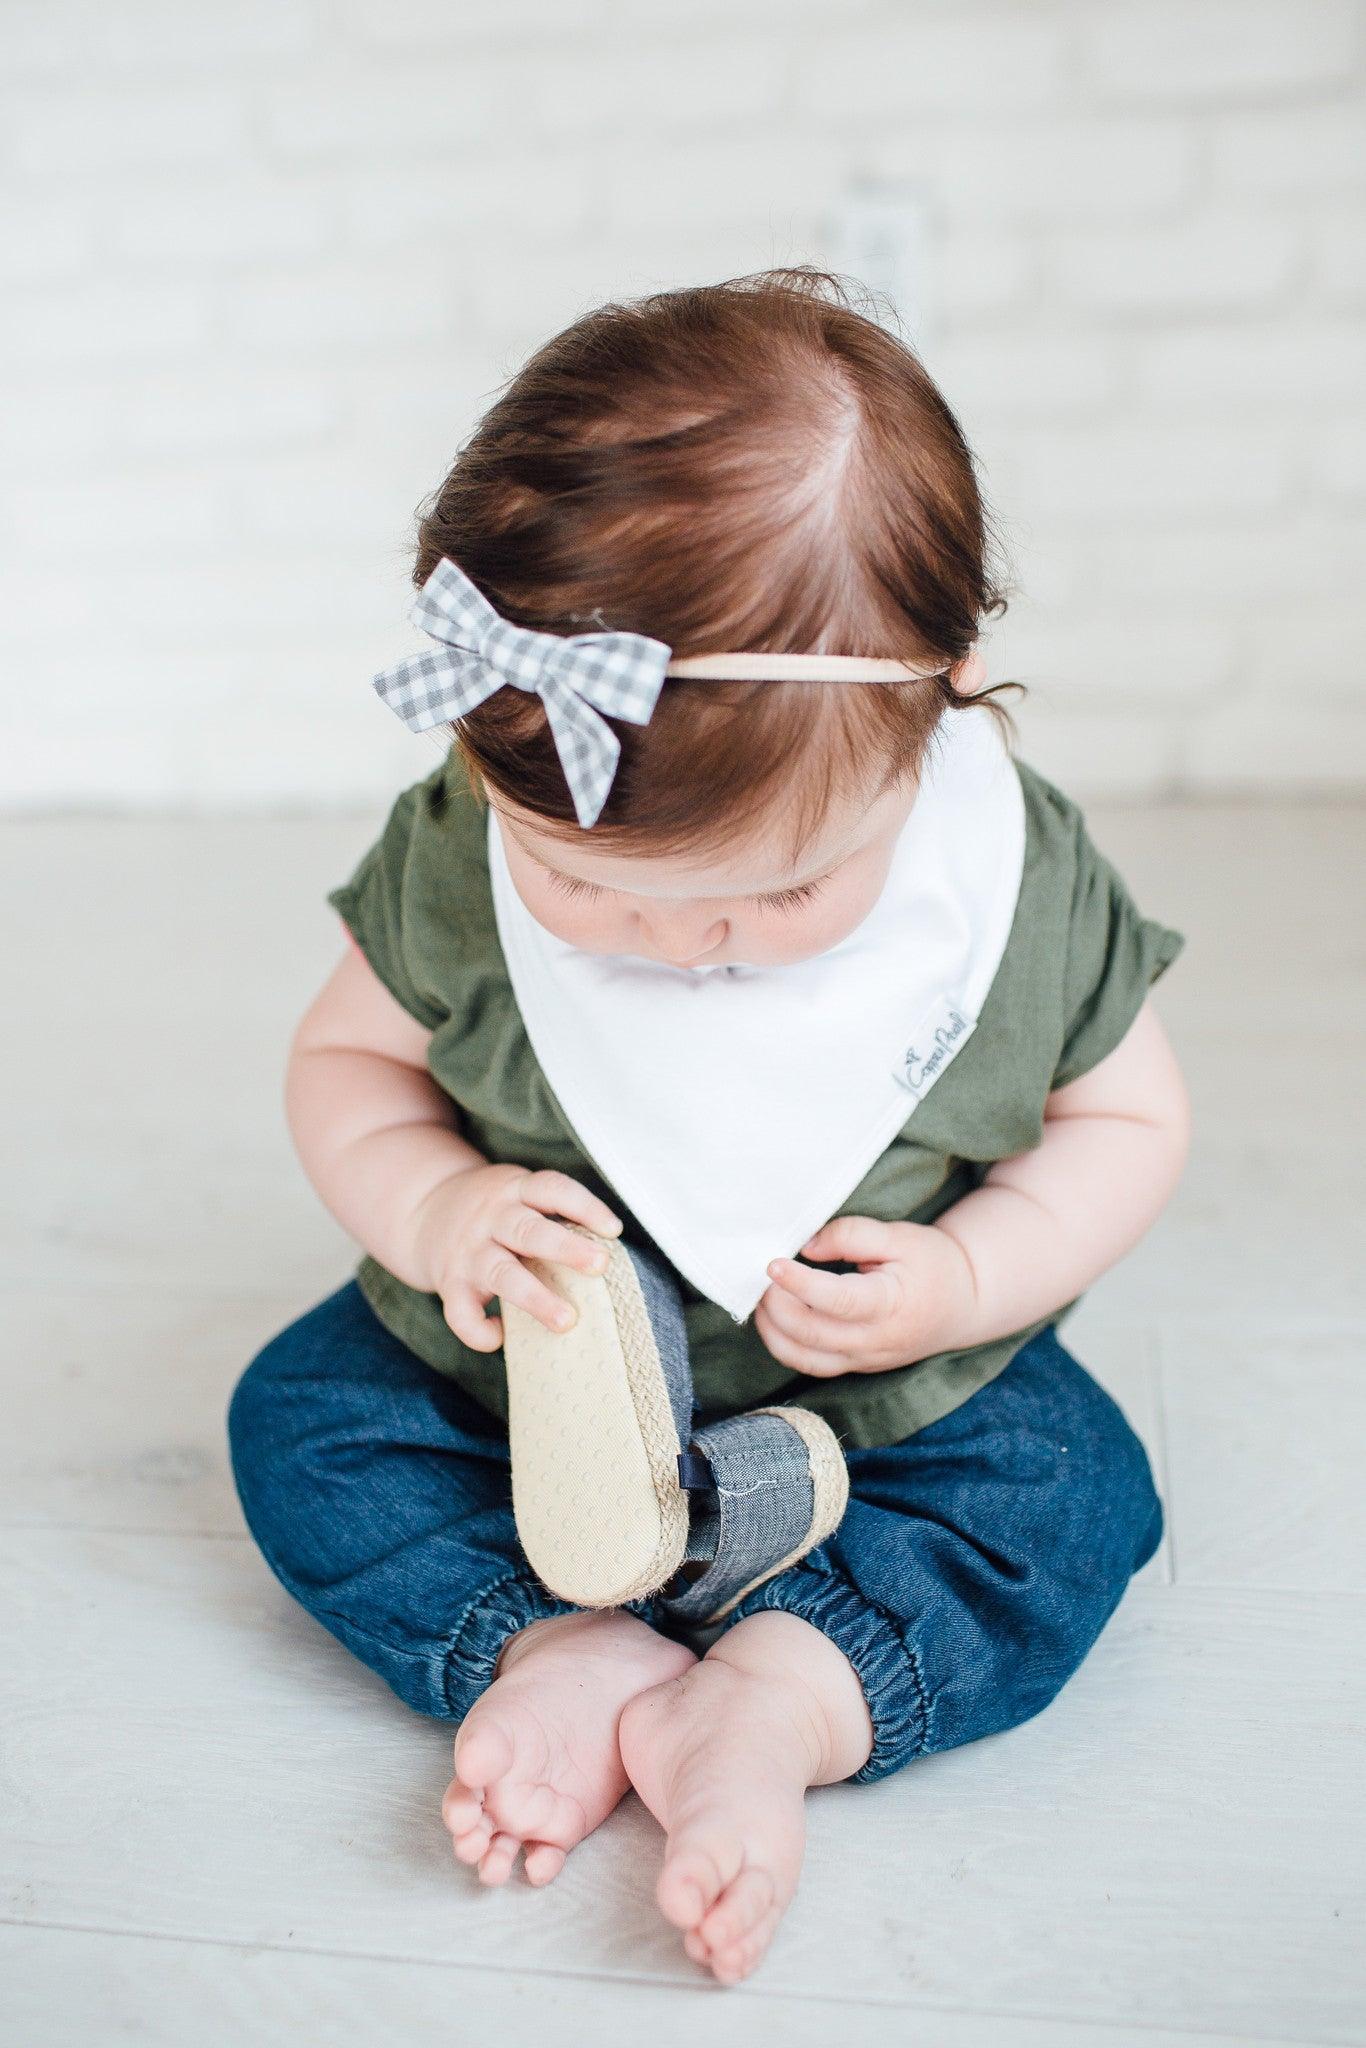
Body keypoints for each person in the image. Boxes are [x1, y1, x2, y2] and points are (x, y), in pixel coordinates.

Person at [227, 268, 1189, 1988]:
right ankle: (563, 1650)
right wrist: (437, 1211)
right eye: (589, 882)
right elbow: (342, 1070)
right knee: (302, 1426)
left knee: (1070, 1493)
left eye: (783, 893)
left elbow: (1123, 1117)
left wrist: (966, 1277)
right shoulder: (464, 843)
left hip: (885, 1410)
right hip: (515, 1393)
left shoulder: (1011, 881)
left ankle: (780, 1700)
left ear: (942, 698)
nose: (677, 946)